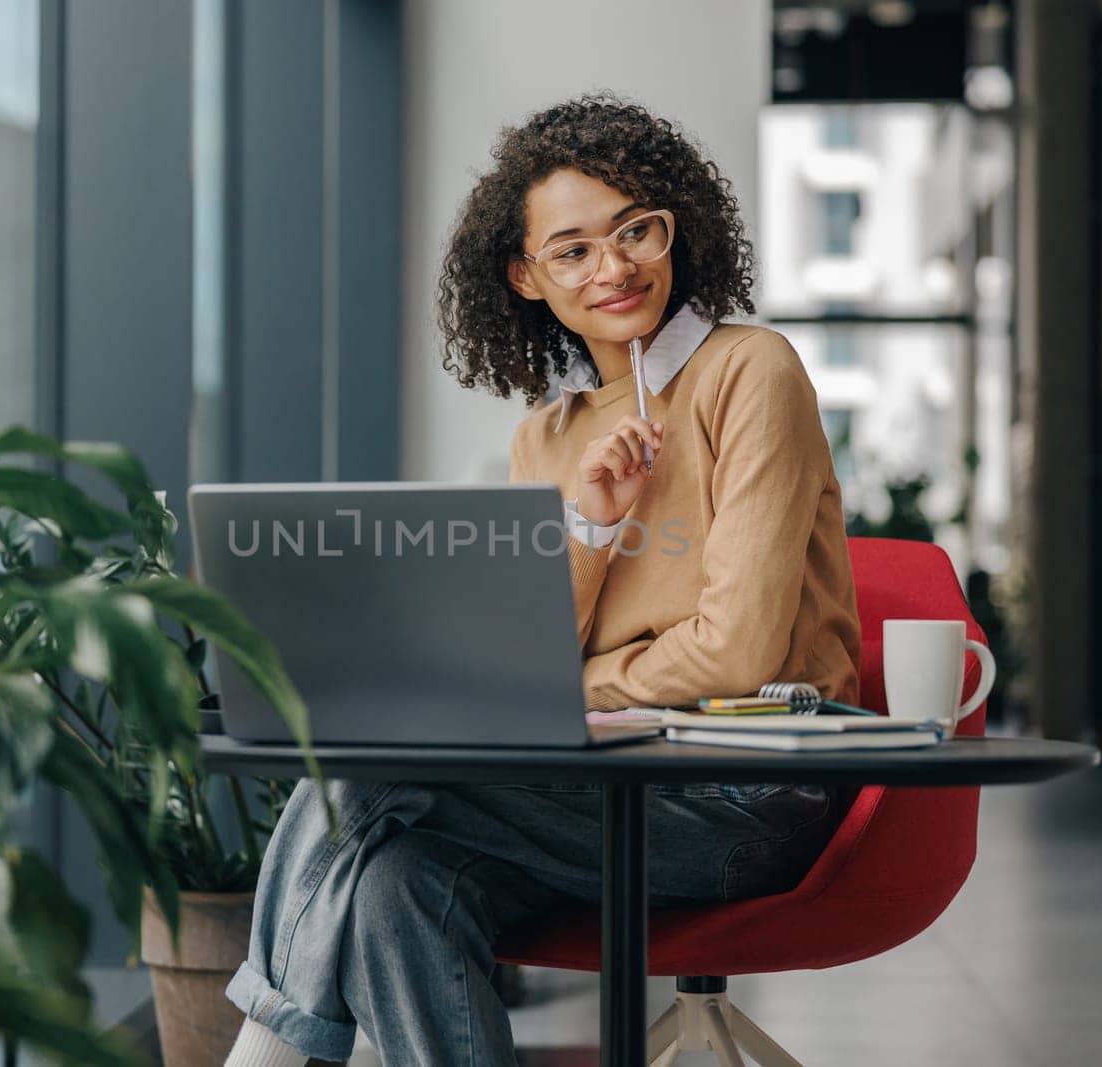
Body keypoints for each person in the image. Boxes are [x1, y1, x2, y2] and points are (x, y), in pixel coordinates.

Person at [223, 93, 862, 1067]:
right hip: (596, 789)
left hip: (748, 790)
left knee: (362, 772)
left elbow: (737, 650)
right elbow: (531, 656)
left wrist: (556, 698)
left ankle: (259, 1056)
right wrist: (593, 529)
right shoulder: (546, 435)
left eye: (634, 230)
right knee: (395, 883)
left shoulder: (750, 371)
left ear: (673, 230)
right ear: (524, 275)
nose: (614, 268)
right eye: (571, 250)